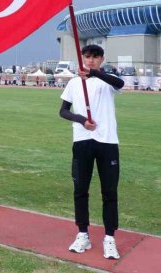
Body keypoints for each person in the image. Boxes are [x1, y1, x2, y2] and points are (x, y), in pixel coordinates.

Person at [60, 45, 124, 260]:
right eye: (87, 57)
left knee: (109, 192)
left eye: (95, 57)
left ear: (101, 60)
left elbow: (120, 84)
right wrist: (81, 120)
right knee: (80, 189)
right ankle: (82, 234)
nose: (90, 60)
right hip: (82, 140)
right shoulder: (74, 83)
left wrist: (95, 74)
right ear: (82, 58)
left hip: (107, 141)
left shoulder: (107, 80)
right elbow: (63, 110)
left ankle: (109, 238)